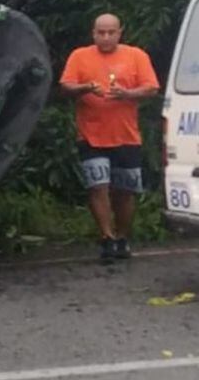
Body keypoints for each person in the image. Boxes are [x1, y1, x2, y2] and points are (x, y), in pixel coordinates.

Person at [60, 13, 159, 263]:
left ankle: (122, 237)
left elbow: (151, 88)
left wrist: (127, 94)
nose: (105, 37)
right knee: (98, 186)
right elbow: (66, 86)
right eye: (100, 32)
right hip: (91, 135)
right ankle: (106, 237)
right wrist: (85, 88)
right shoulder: (80, 56)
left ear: (120, 32)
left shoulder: (136, 56)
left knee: (124, 191)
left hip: (126, 136)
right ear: (93, 33)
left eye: (110, 32)